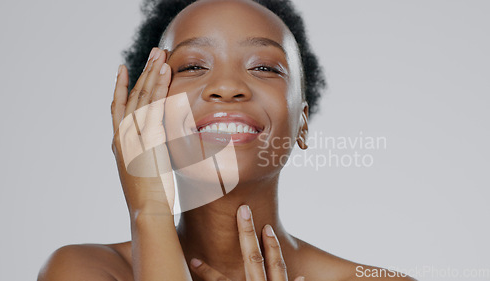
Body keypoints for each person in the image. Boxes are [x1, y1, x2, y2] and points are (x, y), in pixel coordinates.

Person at [38, 0, 415, 280]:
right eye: (192, 66)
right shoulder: (84, 269)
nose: (227, 87)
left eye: (264, 67)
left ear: (302, 121)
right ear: (149, 110)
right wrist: (149, 212)